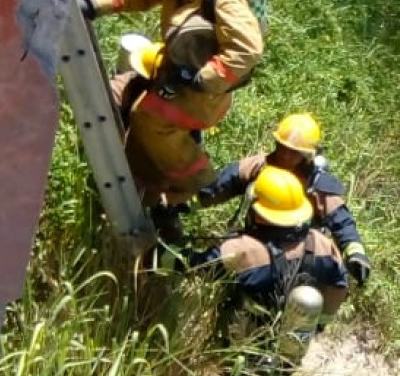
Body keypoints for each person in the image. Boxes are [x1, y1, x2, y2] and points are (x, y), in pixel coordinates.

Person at [162, 166, 349, 376]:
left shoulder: (243, 251)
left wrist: (155, 251)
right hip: (292, 338)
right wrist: (319, 324)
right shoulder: (322, 244)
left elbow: (190, 264)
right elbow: (339, 285)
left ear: (259, 213)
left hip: (245, 338)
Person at [81, 0, 265, 236]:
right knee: (131, 102)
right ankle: (148, 188)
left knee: (148, 122)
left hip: (199, 96)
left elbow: (247, 49)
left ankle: (185, 186)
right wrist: (95, 5)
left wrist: (201, 78)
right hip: (177, 73)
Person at [195, 112, 373, 287]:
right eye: (282, 147)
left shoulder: (317, 182)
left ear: (307, 155)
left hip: (299, 249)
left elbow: (341, 221)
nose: (285, 156)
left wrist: (355, 252)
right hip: (258, 240)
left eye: (294, 152)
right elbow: (217, 188)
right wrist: (187, 203)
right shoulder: (258, 167)